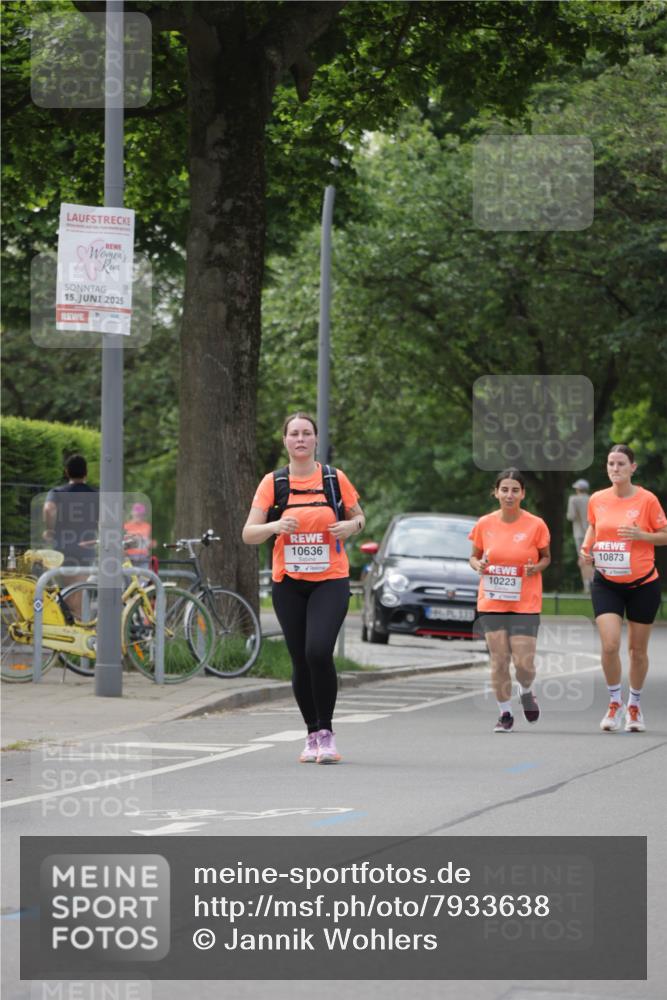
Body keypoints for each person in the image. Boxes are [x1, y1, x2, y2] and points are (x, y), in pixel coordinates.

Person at [242, 412, 365, 764]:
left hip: (330, 579)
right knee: (299, 658)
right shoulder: (273, 483)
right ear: (285, 440)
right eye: (294, 433)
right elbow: (248, 533)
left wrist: (351, 527)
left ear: (315, 439)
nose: (300, 439)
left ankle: (327, 733)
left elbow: (359, 516)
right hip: (289, 584)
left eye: (306, 433)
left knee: (318, 651)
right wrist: (275, 526)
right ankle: (311, 734)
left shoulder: (333, 478)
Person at [580, 444, 667, 733]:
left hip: (643, 584)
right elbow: (594, 526)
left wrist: (641, 535)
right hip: (607, 583)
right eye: (610, 464)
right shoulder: (597, 499)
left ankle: (635, 705)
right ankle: (615, 702)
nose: (615, 469)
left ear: (633, 468)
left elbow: (664, 535)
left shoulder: (647, 500)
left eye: (620, 464)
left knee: (637, 651)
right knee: (610, 645)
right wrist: (587, 548)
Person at [469, 468, 551, 733]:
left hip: (525, 602)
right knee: (499, 659)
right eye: (504, 489)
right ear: (495, 492)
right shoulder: (484, 524)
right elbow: (474, 556)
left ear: (523, 494)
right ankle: (505, 713)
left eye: (515, 490)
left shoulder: (536, 525)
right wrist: (478, 565)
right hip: (492, 602)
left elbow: (546, 557)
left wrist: (536, 568)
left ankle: (526, 690)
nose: (509, 495)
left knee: (524, 665)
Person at [43, 454, 99, 616]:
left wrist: (50, 530)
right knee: (77, 592)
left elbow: (48, 509)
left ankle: (71, 623)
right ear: (86, 472)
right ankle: (76, 624)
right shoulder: (95, 494)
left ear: (67, 471)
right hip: (86, 547)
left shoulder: (57, 492)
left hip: (63, 547)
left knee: (68, 591)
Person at [567, 478, 593, 594]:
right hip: (592, 533)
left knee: (583, 560)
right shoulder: (591, 499)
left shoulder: (573, 499)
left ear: (578, 489)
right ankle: (591, 584)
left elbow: (571, 516)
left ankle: (588, 585)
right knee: (589, 559)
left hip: (579, 534)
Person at [123, 502, 155, 570]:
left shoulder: (147, 526)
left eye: (141, 515)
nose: (139, 516)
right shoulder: (126, 526)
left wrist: (152, 543)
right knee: (130, 576)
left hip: (143, 558)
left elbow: (149, 542)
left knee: (144, 576)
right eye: (137, 514)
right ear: (132, 513)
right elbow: (122, 543)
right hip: (129, 558)